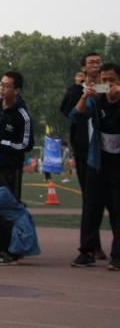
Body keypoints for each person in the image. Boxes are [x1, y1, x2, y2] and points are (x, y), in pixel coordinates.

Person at [67, 62, 120, 269]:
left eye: (112, 80)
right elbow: (75, 115)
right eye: (103, 80)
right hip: (98, 160)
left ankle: (118, 255)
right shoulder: (96, 100)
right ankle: (87, 251)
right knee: (91, 207)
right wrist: (84, 96)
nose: (108, 84)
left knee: (117, 207)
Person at [61, 52, 107, 260]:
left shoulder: (107, 88)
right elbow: (67, 111)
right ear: (83, 68)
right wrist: (78, 88)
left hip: (107, 153)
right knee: (90, 201)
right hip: (84, 153)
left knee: (112, 201)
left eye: (98, 62)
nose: (95, 65)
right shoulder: (77, 90)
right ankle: (92, 246)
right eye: (91, 62)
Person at [0, 71, 33, 200]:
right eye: (1, 84)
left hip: (11, 168)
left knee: (9, 204)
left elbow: (26, 144)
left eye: (6, 86)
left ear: (16, 90)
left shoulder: (22, 115)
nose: (2, 88)